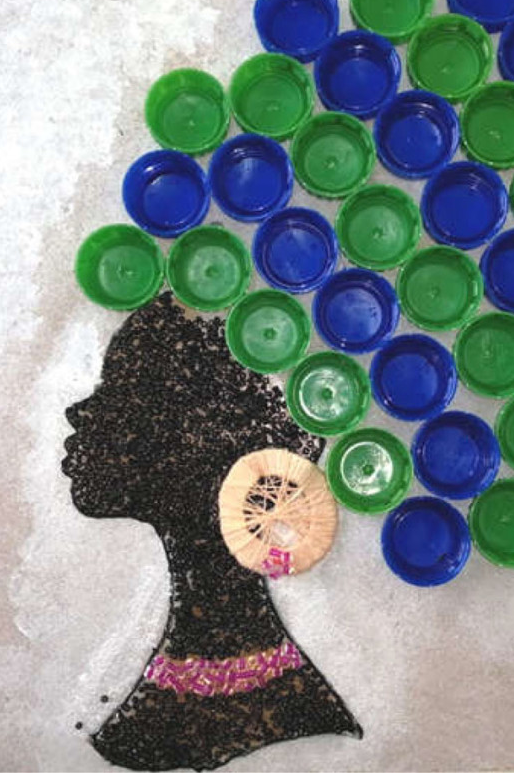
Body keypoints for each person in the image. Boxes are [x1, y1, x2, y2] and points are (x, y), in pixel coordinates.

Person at [62, 293, 361, 771]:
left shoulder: (289, 719)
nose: (79, 412)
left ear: (205, 447)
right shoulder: (280, 700)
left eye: (125, 391)